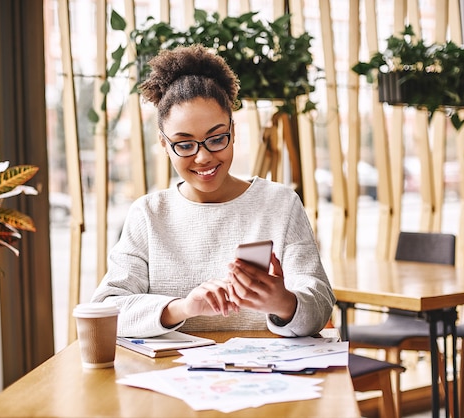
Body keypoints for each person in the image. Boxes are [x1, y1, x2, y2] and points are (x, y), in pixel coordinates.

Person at [91, 45, 335, 338]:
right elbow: (107, 309)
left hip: (265, 375)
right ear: (163, 144)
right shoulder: (148, 214)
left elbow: (320, 305)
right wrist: (183, 308)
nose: (203, 157)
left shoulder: (280, 204)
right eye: (184, 144)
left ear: (234, 131)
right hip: (170, 378)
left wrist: (283, 303)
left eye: (217, 138)